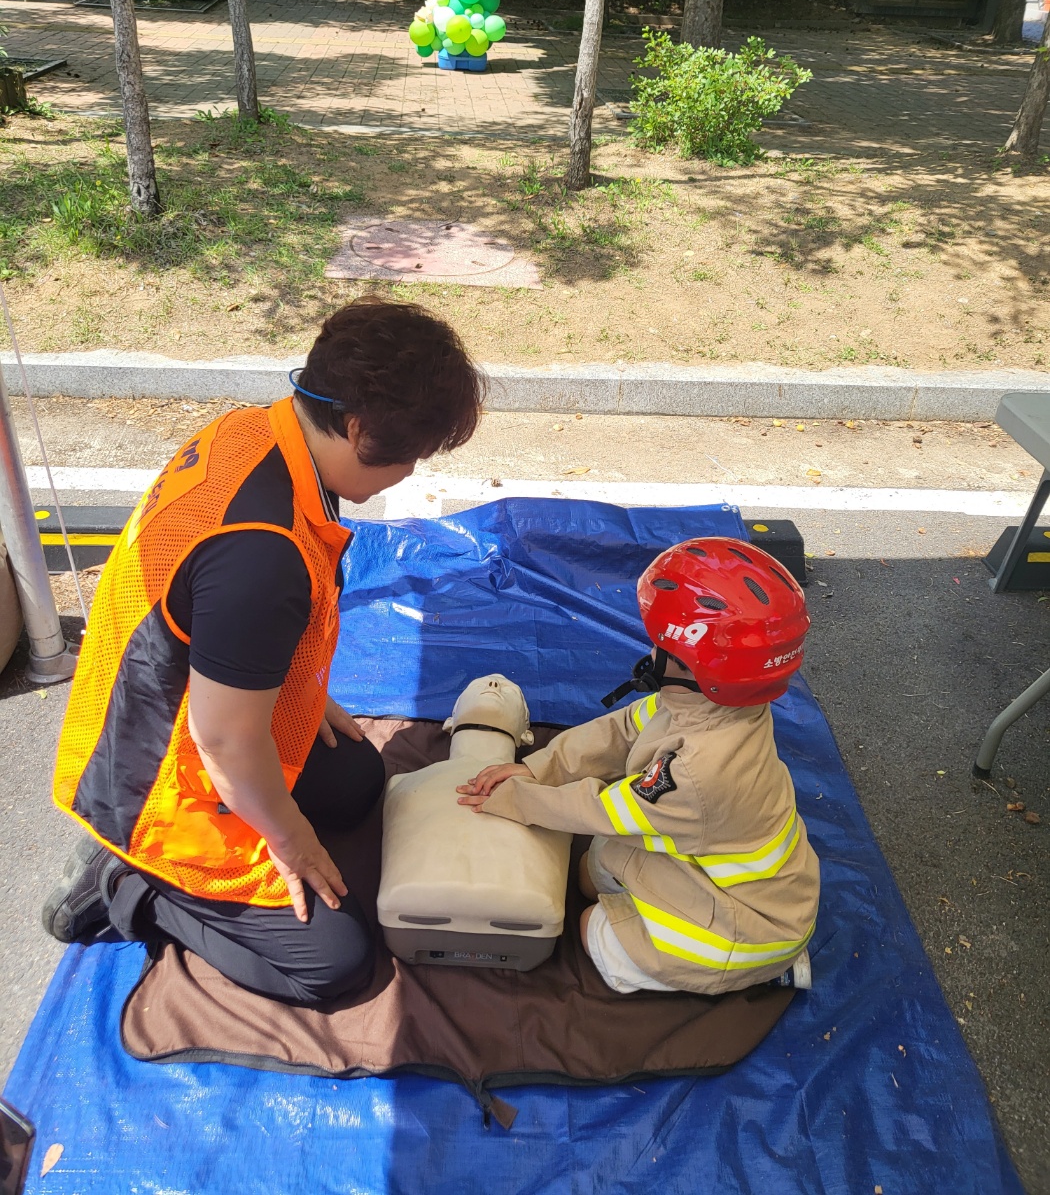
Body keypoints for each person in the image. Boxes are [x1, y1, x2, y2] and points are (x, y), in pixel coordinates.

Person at [43, 300, 483, 1005]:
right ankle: (130, 882)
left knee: (358, 782)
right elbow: (221, 738)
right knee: (336, 964)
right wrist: (290, 839)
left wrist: (303, 691)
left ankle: (212, 834)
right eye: (408, 455)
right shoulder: (261, 557)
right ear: (358, 427)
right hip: (161, 774)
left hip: (189, 706)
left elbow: (222, 635)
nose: (407, 473)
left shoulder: (254, 431)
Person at [458, 537, 821, 997]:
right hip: (726, 877)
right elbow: (625, 728)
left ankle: (766, 968)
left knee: (592, 926)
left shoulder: (700, 772)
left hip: (748, 929)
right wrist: (541, 769)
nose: (651, 655)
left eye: (662, 648)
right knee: (591, 873)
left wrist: (515, 799)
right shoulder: (713, 703)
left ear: (702, 669)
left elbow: (602, 810)